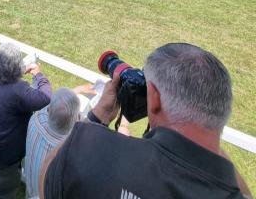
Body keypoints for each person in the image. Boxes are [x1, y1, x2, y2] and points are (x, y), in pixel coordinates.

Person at [41, 43, 252, 199]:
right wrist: (214, 150)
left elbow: (46, 177)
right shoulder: (231, 191)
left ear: (154, 98)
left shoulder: (92, 148)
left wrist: (99, 115)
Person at [0, 43, 52, 199]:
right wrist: (38, 74)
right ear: (15, 66)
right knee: (4, 194)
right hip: (4, 160)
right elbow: (45, 97)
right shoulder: (18, 90)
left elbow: (4, 76)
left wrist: (22, 69)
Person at [25, 88, 80, 199]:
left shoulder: (35, 120)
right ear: (76, 120)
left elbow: (54, 107)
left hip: (31, 187)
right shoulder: (72, 153)